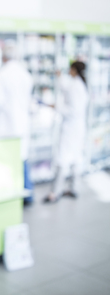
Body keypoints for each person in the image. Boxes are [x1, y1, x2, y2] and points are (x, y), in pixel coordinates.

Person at [0, 41, 34, 204]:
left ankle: (18, 197)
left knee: (8, 162)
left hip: (6, 125)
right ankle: (28, 194)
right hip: (22, 122)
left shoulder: (1, 74)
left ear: (3, 57)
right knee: (22, 158)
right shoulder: (25, 74)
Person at [44, 61, 88, 203]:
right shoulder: (79, 84)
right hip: (78, 128)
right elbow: (66, 88)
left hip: (71, 128)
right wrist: (59, 77)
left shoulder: (76, 86)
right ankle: (74, 188)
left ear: (74, 70)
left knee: (62, 158)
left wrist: (56, 107)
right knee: (76, 158)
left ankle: (55, 192)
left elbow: (73, 110)